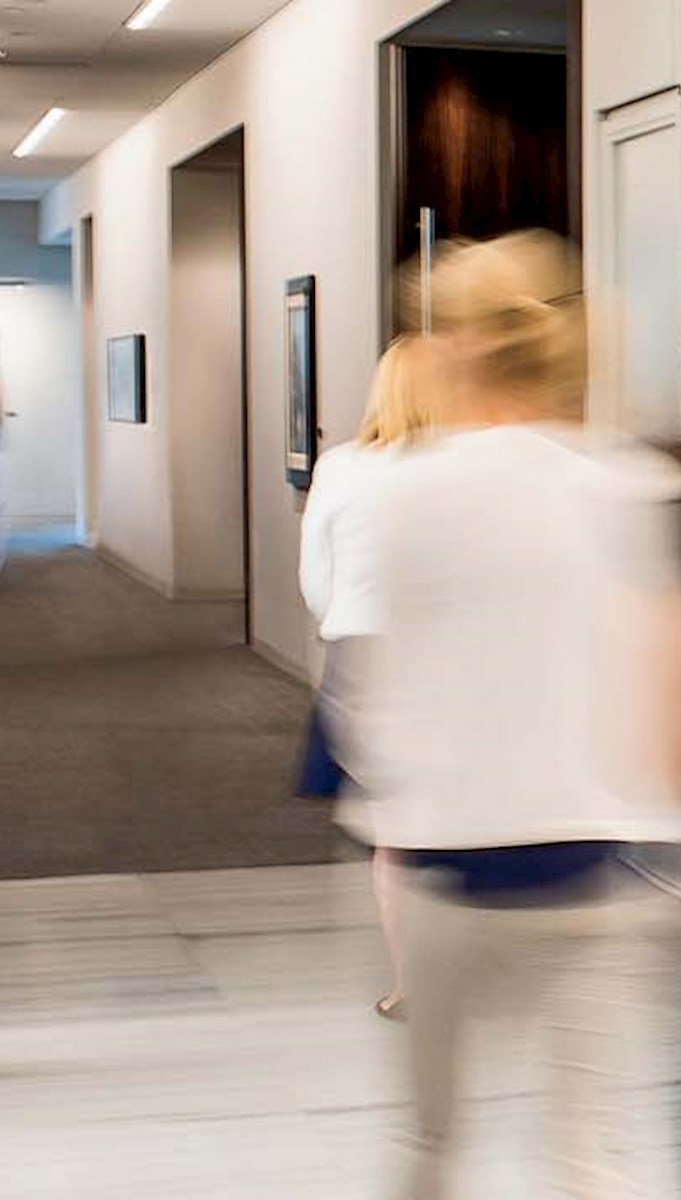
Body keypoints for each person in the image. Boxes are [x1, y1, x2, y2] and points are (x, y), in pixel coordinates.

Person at [307, 232, 681, 1200]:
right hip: (604, 864)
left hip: (451, 862)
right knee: (591, 1153)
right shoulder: (641, 486)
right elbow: (669, 690)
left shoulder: (402, 492)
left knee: (435, 1145)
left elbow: (368, 691)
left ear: (458, 347)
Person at [297, 338, 424, 1021]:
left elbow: (316, 581)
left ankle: (411, 980)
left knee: (394, 836)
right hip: (452, 654)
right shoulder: (471, 469)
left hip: (364, 655)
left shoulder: (341, 467)